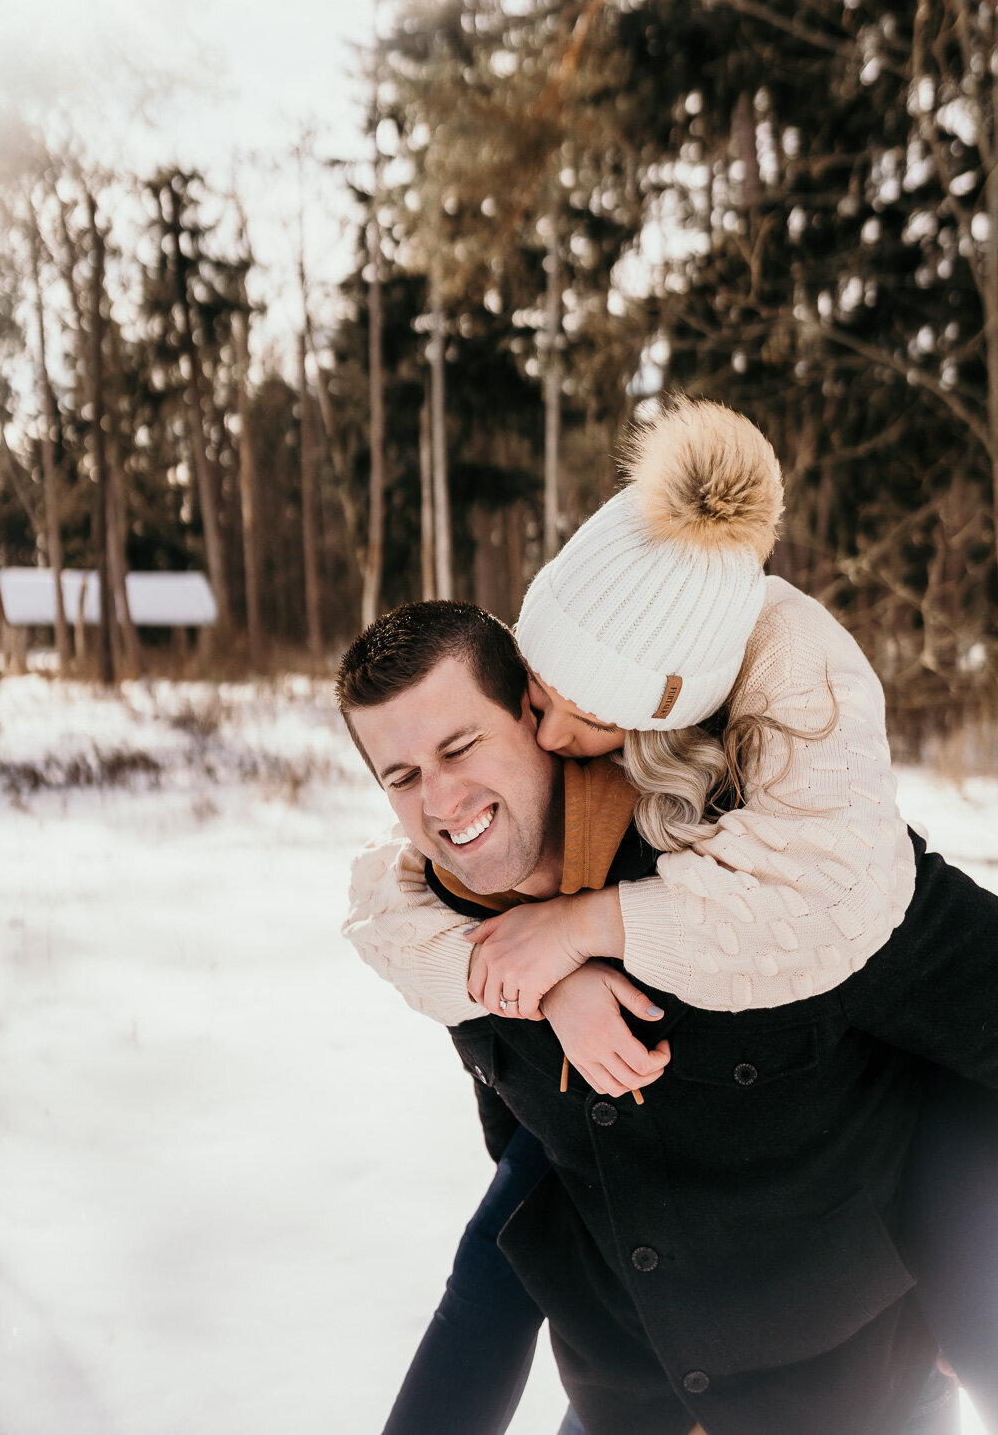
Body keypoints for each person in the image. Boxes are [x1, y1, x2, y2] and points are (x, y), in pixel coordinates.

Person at [339, 402, 998, 1431]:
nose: (440, 802)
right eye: (401, 776)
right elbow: (532, 1170)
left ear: (527, 712)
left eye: (461, 749)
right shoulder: (465, 917)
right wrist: (549, 975)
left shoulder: (807, 878)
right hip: (626, 1401)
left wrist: (967, 1289)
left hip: (854, 1399)